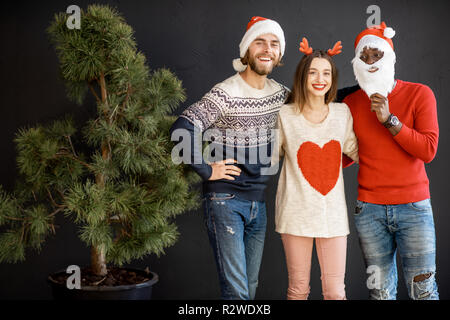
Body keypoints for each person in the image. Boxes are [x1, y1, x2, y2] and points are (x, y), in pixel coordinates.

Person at [170, 16, 289, 300]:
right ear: (247, 50)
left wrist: (364, 89)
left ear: (279, 54)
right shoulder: (226, 93)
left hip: (258, 205)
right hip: (225, 201)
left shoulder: (280, 94)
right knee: (236, 293)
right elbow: (181, 128)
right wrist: (206, 170)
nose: (266, 49)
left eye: (274, 44)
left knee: (250, 288)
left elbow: (315, 105)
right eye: (259, 42)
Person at [342, 22, 439, 300]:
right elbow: (350, 153)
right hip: (369, 211)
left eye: (377, 54)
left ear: (390, 58)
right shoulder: (351, 103)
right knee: (380, 294)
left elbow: (428, 149)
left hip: (414, 209)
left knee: (423, 292)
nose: (371, 61)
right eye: (364, 56)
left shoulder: (420, 94)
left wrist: (389, 121)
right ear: (357, 62)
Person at [272, 37, 358, 300]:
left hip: (332, 217)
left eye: (326, 73)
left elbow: (357, 150)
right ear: (302, 76)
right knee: (298, 289)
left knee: (335, 291)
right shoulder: (285, 115)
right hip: (294, 215)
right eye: (313, 72)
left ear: (333, 78)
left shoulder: (342, 113)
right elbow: (269, 158)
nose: (319, 79)